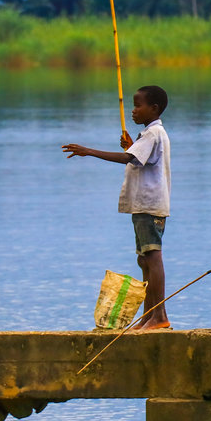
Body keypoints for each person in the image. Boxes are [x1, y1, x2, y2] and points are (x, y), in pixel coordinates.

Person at [62, 85, 172, 330]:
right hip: (144, 206)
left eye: (138, 105)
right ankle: (149, 316)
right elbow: (136, 158)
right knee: (145, 260)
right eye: (132, 105)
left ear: (153, 108)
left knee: (153, 257)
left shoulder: (154, 134)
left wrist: (87, 151)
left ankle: (159, 315)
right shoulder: (149, 136)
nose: (133, 111)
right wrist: (131, 147)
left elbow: (128, 159)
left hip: (149, 206)